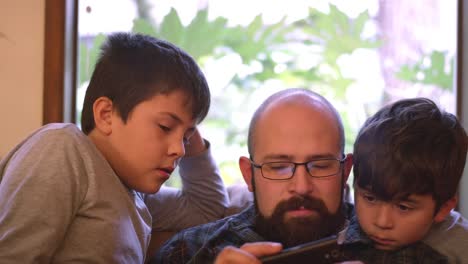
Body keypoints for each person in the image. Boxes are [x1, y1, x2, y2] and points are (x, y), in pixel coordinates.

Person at [0, 32, 228, 263]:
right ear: (106, 115)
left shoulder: (135, 193)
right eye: (165, 126)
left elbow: (206, 208)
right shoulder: (63, 149)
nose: (179, 150)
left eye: (186, 138)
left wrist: (187, 124)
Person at [153, 88, 355, 263]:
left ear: (345, 171)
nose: (301, 186)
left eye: (320, 166)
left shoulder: (382, 241)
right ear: (249, 174)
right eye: (278, 167)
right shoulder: (187, 252)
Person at [347, 97, 468, 263]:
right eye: (370, 198)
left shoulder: (460, 249)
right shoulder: (341, 230)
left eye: (403, 207)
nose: (382, 222)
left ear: (443, 208)